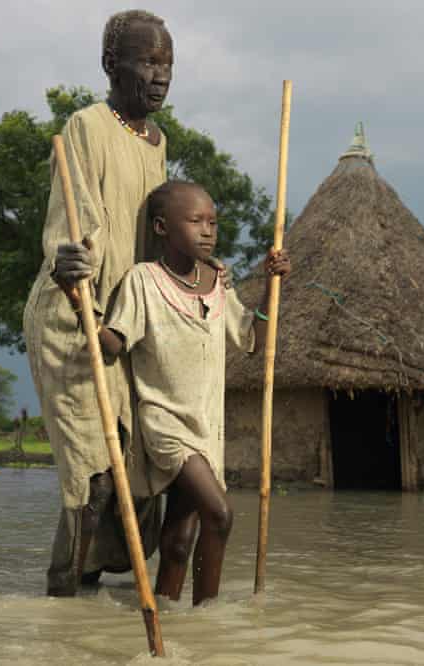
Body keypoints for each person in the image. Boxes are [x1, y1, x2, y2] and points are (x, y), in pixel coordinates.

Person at [23, 10, 226, 597]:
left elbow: (158, 236)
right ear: (112, 65)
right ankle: (63, 608)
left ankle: (87, 584)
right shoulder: (85, 125)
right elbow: (75, 218)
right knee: (93, 477)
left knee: (131, 475)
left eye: (168, 65)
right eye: (147, 62)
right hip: (75, 318)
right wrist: (68, 259)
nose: (160, 76)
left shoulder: (159, 143)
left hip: (128, 324)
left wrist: (203, 271)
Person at [58, 180, 292, 605]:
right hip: (164, 422)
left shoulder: (218, 283)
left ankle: (166, 612)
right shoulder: (142, 281)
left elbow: (251, 337)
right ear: (163, 228)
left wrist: (272, 289)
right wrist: (76, 296)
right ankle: (208, 617)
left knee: (181, 537)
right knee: (219, 515)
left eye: (213, 222)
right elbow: (113, 343)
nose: (208, 231)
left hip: (207, 427)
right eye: (196, 221)